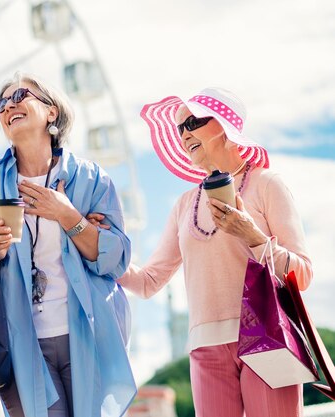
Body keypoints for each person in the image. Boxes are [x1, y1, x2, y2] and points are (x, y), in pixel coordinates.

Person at [114, 87, 312, 417]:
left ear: (223, 125)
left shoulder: (267, 184)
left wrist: (251, 235)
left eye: (193, 122)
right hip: (205, 346)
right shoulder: (183, 206)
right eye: (180, 127)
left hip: (268, 334)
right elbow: (148, 282)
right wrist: (92, 245)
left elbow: (302, 274)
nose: (185, 133)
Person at [0, 73, 137, 417]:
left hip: (88, 334)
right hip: (18, 341)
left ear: (52, 112)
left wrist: (68, 216)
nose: (10, 106)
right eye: (1, 104)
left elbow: (116, 259)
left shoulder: (93, 179)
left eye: (21, 95)